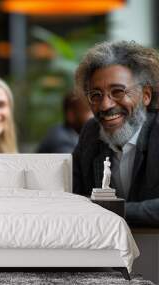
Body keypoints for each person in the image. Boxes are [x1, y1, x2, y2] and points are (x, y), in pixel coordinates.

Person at [73, 40, 159, 227]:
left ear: (146, 95)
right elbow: (71, 195)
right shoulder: (91, 133)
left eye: (118, 92)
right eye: (96, 95)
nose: (105, 105)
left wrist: (109, 212)